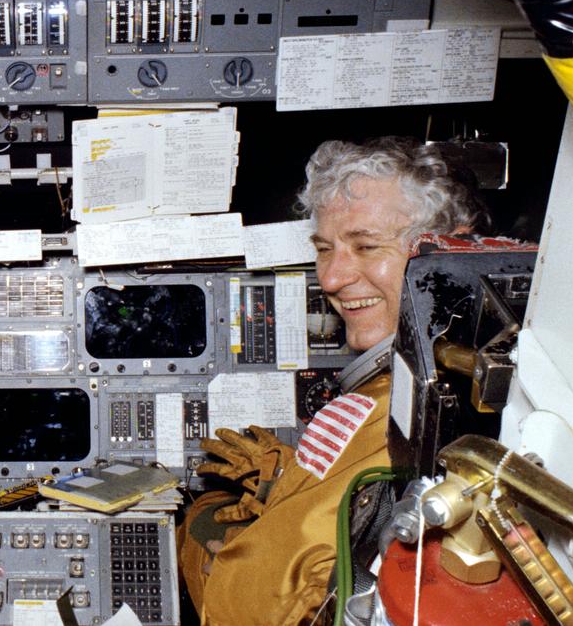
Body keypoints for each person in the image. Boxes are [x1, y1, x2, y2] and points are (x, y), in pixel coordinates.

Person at [177, 137, 486, 626]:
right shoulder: (415, 385)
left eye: (366, 247)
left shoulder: (403, 407)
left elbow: (255, 605)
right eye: (325, 249)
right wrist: (288, 486)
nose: (334, 278)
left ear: (450, 254)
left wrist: (198, 524)